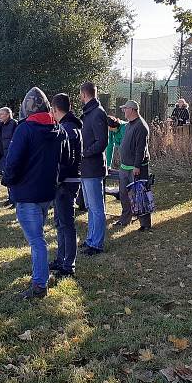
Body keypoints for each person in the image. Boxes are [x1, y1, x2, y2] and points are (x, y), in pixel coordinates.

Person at [2, 87, 67, 299]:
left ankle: (40, 284)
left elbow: (13, 161)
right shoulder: (58, 130)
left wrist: (8, 182)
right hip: (47, 192)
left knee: (37, 240)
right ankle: (40, 276)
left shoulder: (25, 129)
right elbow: (64, 160)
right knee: (38, 237)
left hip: (28, 193)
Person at [49, 93, 83, 279]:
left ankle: (68, 264)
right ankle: (61, 258)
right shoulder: (69, 126)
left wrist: (56, 179)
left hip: (66, 182)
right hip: (66, 181)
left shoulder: (67, 130)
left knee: (66, 223)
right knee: (60, 223)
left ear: (55, 109)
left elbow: (66, 160)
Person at [78, 82, 109, 256]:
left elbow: (102, 142)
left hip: (93, 167)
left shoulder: (97, 113)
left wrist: (84, 153)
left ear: (84, 95)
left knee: (97, 208)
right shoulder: (88, 113)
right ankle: (90, 239)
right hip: (86, 167)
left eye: (80, 95)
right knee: (90, 206)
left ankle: (96, 244)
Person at [117, 100, 152, 231]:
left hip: (136, 167)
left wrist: (137, 166)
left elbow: (140, 149)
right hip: (125, 166)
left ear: (132, 110)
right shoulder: (129, 125)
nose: (124, 111)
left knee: (140, 195)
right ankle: (125, 219)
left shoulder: (141, 126)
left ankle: (145, 224)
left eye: (125, 109)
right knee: (124, 194)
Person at [0, 106, 18, 175]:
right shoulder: (1, 125)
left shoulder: (14, 123)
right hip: (2, 153)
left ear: (8, 115)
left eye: (1, 114)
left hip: (10, 152)